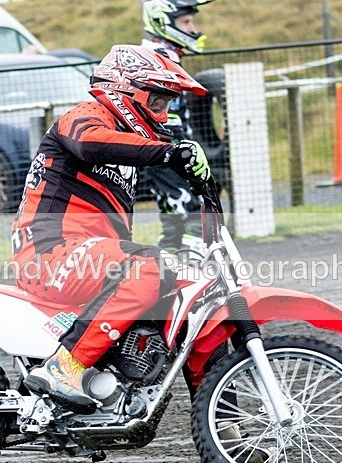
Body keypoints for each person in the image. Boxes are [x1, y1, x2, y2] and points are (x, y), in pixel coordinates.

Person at [13, 45, 210, 414]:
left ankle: (225, 429)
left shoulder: (125, 147)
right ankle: (63, 368)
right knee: (149, 267)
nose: (164, 115)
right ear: (125, 90)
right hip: (47, 254)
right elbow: (89, 142)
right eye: (157, 102)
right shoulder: (83, 116)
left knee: (193, 287)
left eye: (168, 104)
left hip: (86, 258)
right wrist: (168, 154)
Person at [141, 0, 216, 254]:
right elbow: (161, 118)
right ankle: (186, 274)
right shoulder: (157, 60)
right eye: (186, 22)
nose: (193, 29)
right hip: (164, 150)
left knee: (176, 221)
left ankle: (170, 275)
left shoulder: (163, 56)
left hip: (162, 151)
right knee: (192, 215)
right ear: (164, 23)